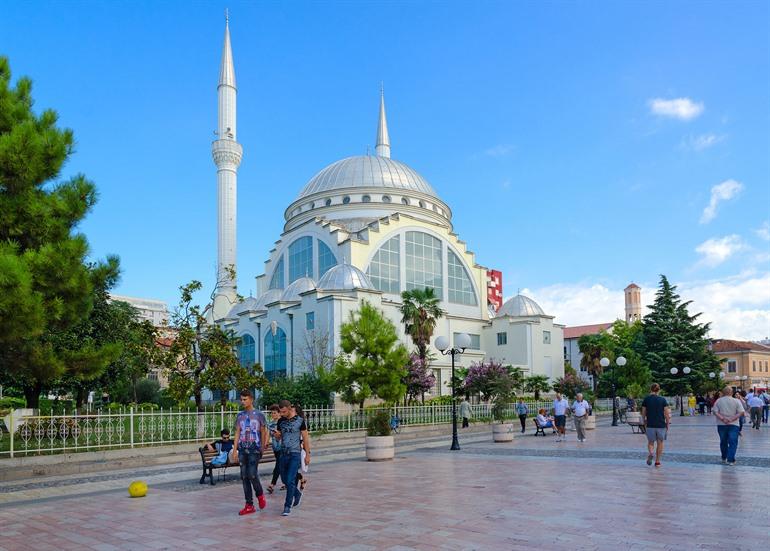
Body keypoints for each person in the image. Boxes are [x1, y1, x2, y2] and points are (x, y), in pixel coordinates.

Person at [232, 389, 269, 516]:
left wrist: (262, 447)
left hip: (255, 449)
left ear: (251, 399)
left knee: (252, 474)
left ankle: (260, 495)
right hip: (242, 449)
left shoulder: (259, 415)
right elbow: (237, 432)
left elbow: (263, 431)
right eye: (241, 399)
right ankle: (249, 504)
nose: (242, 402)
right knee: (244, 476)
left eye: (245, 399)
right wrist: (235, 449)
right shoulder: (240, 415)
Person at [275, 399, 311, 516]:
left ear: (290, 409)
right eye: (280, 412)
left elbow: (305, 438)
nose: (281, 414)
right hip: (283, 453)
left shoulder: (300, 421)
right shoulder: (280, 421)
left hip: (295, 453)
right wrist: (277, 436)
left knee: (290, 480)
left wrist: (307, 454)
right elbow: (279, 437)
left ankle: (287, 506)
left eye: (284, 412)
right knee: (285, 480)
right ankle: (297, 494)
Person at [712, 386, 745, 465]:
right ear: (732, 392)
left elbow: (715, 412)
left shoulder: (718, 401)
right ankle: (731, 460)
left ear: (723, 392)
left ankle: (724, 457)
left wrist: (723, 419)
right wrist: (731, 419)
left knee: (723, 441)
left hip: (721, 424)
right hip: (734, 424)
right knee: (733, 442)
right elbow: (741, 412)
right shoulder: (736, 401)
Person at [641, 383, 671, 467]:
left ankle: (651, 453)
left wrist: (644, 422)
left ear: (650, 389)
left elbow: (643, 413)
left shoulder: (646, 399)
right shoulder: (662, 400)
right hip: (661, 424)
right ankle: (657, 462)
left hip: (650, 424)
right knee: (660, 443)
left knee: (650, 442)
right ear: (659, 390)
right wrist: (667, 423)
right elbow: (666, 413)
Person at [266, 405, 283, 495]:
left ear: (279, 413)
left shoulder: (283, 423)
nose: (273, 414)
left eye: (275, 413)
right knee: (283, 467)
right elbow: (268, 434)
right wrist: (266, 443)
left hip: (283, 448)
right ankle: (300, 478)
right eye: (271, 413)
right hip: (275, 448)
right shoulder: (270, 424)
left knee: (278, 466)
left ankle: (272, 484)